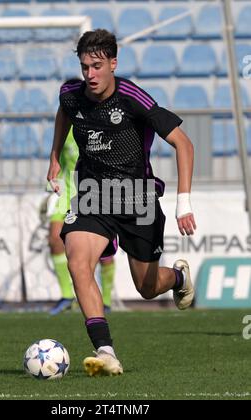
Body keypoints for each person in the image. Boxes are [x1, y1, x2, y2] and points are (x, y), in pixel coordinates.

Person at [47, 29, 196, 376]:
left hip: (137, 199)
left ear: (113, 63)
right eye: (85, 67)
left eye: (97, 66)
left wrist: (183, 203)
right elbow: (63, 113)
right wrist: (54, 155)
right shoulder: (71, 94)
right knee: (77, 260)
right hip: (92, 197)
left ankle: (177, 277)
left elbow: (184, 144)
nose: (90, 75)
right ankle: (106, 350)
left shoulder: (131, 97)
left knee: (146, 287)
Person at [42, 125, 116, 315]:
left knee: (103, 253)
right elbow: (59, 162)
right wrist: (51, 187)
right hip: (68, 192)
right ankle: (67, 296)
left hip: (96, 192)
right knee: (54, 239)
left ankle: (106, 301)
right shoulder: (67, 128)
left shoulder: (99, 125)